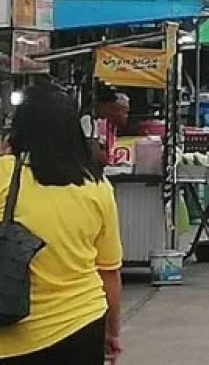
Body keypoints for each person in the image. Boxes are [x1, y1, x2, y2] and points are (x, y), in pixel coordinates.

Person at [0, 84, 124, 364]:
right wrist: (113, 332)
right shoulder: (97, 186)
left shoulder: (4, 175)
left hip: (12, 335)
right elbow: (109, 273)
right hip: (83, 323)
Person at [81, 84, 129, 167]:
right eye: (110, 107)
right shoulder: (87, 120)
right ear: (102, 105)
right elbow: (95, 154)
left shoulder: (96, 121)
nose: (110, 112)